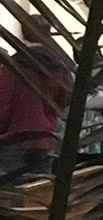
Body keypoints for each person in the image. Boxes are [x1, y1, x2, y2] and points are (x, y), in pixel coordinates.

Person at [0, 21, 73, 186]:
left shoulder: (13, 66)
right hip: (45, 140)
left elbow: (2, 106)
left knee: (10, 196)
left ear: (22, 33)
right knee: (38, 193)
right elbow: (65, 99)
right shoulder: (60, 67)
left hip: (14, 140)